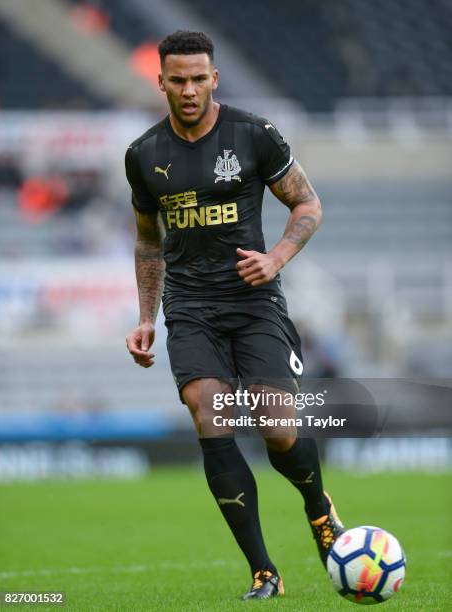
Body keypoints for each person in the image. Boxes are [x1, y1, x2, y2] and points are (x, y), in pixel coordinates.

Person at [125, 30, 344, 600]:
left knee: (275, 422)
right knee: (208, 409)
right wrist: (147, 315)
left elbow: (308, 204)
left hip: (254, 302)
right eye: (178, 80)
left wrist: (277, 257)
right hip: (190, 307)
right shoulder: (144, 155)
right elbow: (149, 242)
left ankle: (319, 510)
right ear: (162, 82)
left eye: (199, 78)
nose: (190, 89)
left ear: (214, 79)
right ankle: (263, 570)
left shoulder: (253, 135)